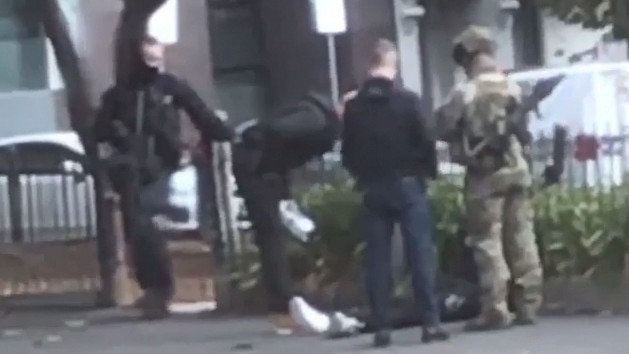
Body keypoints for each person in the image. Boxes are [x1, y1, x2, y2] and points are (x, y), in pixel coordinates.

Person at [95, 34, 233, 319]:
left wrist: (225, 135)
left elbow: (202, 115)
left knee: (150, 224)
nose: (151, 51)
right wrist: (120, 145)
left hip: (165, 167)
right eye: (145, 45)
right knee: (141, 228)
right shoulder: (120, 93)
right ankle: (155, 289)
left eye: (154, 44)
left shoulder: (171, 86)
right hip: (134, 171)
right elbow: (100, 129)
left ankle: (159, 289)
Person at [341, 38, 449, 348]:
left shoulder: (354, 106)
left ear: (369, 64)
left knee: (377, 259)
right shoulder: (408, 101)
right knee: (419, 253)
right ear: (393, 63)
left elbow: (347, 150)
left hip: (373, 186)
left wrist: (360, 175)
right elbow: (425, 141)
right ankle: (429, 322)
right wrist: (427, 173)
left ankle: (382, 327)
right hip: (407, 183)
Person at [434, 25, 543, 331]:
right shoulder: (513, 87)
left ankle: (496, 308)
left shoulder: (465, 91)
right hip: (517, 169)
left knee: (487, 242)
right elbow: (523, 131)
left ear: (468, 56)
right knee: (522, 237)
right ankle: (529, 303)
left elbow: (443, 127)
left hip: (485, 176)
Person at [231, 91, 341, 333]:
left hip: (260, 168)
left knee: (272, 237)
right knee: (271, 238)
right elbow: (276, 131)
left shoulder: (317, 116)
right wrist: (271, 170)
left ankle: (282, 305)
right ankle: (281, 307)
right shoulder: (317, 119)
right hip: (258, 170)